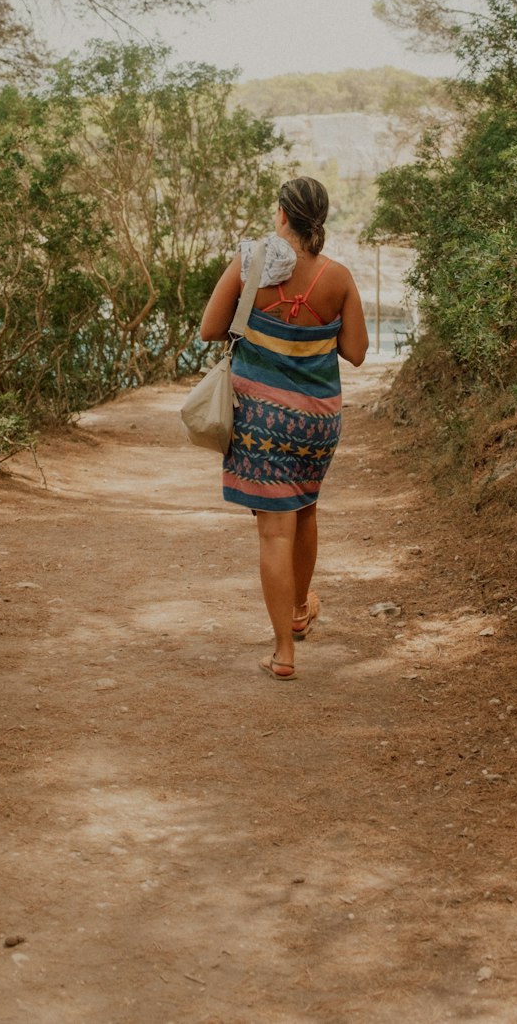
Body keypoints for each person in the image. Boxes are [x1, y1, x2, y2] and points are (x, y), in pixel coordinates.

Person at [199, 176, 369, 681]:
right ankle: (299, 613)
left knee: (275, 531)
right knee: (306, 508)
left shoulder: (250, 262)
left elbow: (211, 329)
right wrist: (314, 325)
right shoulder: (338, 278)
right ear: (321, 220)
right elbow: (356, 353)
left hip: (260, 421)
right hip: (316, 420)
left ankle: (283, 653)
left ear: (281, 215)